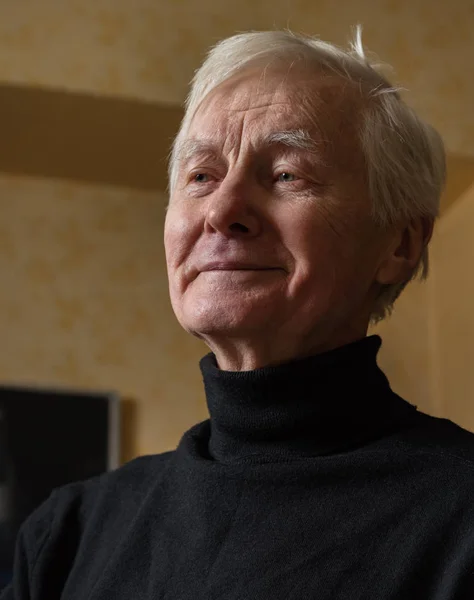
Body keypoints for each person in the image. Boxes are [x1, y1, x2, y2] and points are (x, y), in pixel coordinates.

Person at [2, 29, 474, 600]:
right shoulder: (66, 535)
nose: (223, 211)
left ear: (399, 244)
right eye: (201, 176)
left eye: (286, 175)